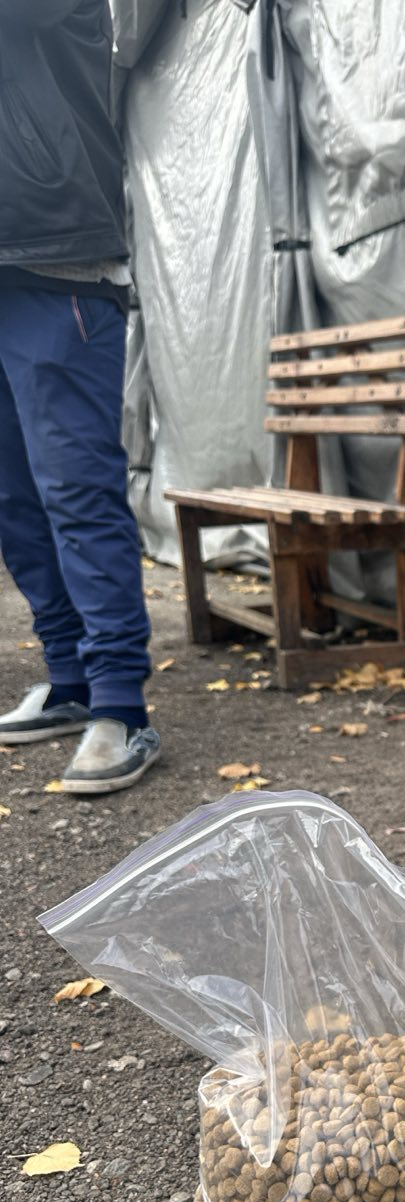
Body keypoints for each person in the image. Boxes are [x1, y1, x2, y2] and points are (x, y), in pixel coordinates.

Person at [0, 0, 159, 794]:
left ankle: (121, 703)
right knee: (14, 500)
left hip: (59, 261)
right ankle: (68, 679)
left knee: (76, 490)